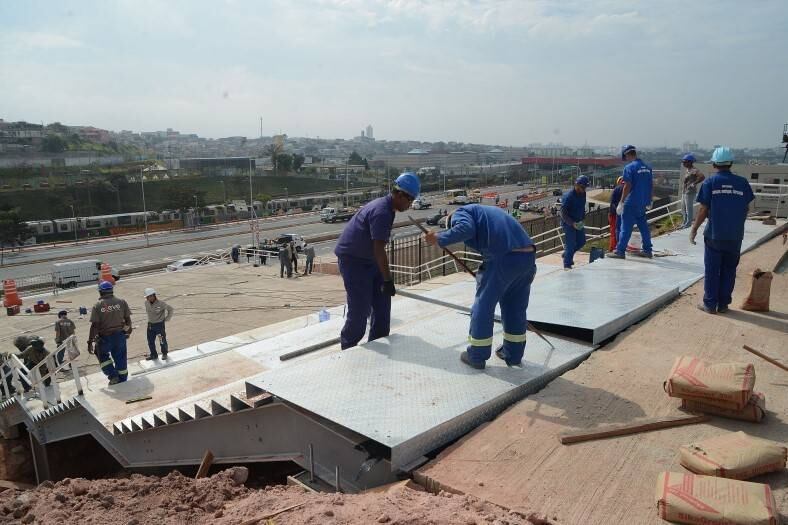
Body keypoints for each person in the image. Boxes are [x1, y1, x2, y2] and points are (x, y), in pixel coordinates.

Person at [425, 205, 536, 369]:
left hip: (504, 258)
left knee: (483, 306)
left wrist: (439, 238)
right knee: (515, 308)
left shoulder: (460, 213)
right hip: (527, 258)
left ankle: (477, 355)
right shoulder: (485, 212)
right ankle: (513, 354)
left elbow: (465, 229)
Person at [333, 172, 420, 349]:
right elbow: (379, 249)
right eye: (409, 200)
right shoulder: (382, 212)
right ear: (400, 194)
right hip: (354, 262)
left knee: (382, 306)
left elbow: (377, 250)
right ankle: (347, 346)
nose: (410, 205)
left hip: (369, 259)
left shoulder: (389, 208)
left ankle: (377, 343)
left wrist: (386, 281)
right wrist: (387, 280)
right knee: (360, 310)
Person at [690, 147, 754, 314]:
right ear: (731, 163)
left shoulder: (710, 183)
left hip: (714, 235)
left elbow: (703, 209)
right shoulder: (742, 183)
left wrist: (694, 229)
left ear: (714, 164)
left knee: (712, 270)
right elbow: (746, 208)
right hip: (735, 236)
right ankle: (724, 304)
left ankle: (710, 305)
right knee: (729, 269)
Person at [608, 145, 654, 259]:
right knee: (643, 227)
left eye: (625, 157)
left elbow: (627, 185)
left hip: (631, 202)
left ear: (627, 154)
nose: (626, 159)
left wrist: (621, 202)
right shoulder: (648, 167)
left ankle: (620, 251)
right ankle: (648, 250)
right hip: (643, 203)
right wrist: (650, 199)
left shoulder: (629, 167)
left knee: (625, 228)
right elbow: (651, 185)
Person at [88, 281, 132, 386]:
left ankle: (113, 376)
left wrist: (90, 342)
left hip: (105, 338)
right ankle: (122, 379)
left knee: (101, 354)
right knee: (120, 357)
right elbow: (128, 320)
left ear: (101, 292)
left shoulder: (98, 306)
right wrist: (127, 331)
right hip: (119, 336)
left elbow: (94, 326)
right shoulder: (122, 302)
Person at [560, 175, 589, 269]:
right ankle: (567, 264)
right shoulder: (568, 197)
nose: (584, 189)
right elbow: (563, 214)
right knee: (570, 244)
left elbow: (582, 207)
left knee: (582, 242)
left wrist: (582, 219)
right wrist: (572, 224)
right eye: (582, 187)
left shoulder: (583, 194)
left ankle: (567, 253)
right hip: (568, 223)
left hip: (578, 222)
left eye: (585, 187)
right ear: (576, 185)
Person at [143, 288, 174, 360]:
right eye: (147, 297)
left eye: (149, 297)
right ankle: (153, 355)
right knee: (150, 341)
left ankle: (164, 353)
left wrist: (167, 319)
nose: (148, 298)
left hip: (159, 326)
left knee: (162, 341)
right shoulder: (146, 303)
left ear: (153, 296)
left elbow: (171, 309)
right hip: (150, 325)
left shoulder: (161, 303)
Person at [680, 153, 705, 229]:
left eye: (685, 162)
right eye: (683, 162)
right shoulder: (688, 170)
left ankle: (688, 223)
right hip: (684, 191)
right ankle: (684, 222)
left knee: (688, 208)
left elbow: (702, 176)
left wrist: (694, 183)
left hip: (690, 192)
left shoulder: (694, 170)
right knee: (683, 208)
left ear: (690, 162)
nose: (684, 163)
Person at [608, 177, 624, 252]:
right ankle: (616, 247)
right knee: (618, 231)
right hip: (617, 214)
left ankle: (614, 248)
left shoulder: (617, 189)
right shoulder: (626, 188)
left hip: (615, 213)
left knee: (615, 231)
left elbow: (613, 202)